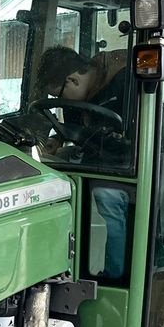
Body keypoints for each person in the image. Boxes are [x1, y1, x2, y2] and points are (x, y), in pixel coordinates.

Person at [36, 45, 133, 278]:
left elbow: (131, 139)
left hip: (123, 166)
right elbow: (73, 127)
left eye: (57, 95)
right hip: (94, 159)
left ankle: (113, 276)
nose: (59, 103)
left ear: (72, 81)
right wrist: (56, 140)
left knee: (105, 194)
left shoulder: (126, 82)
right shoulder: (79, 96)